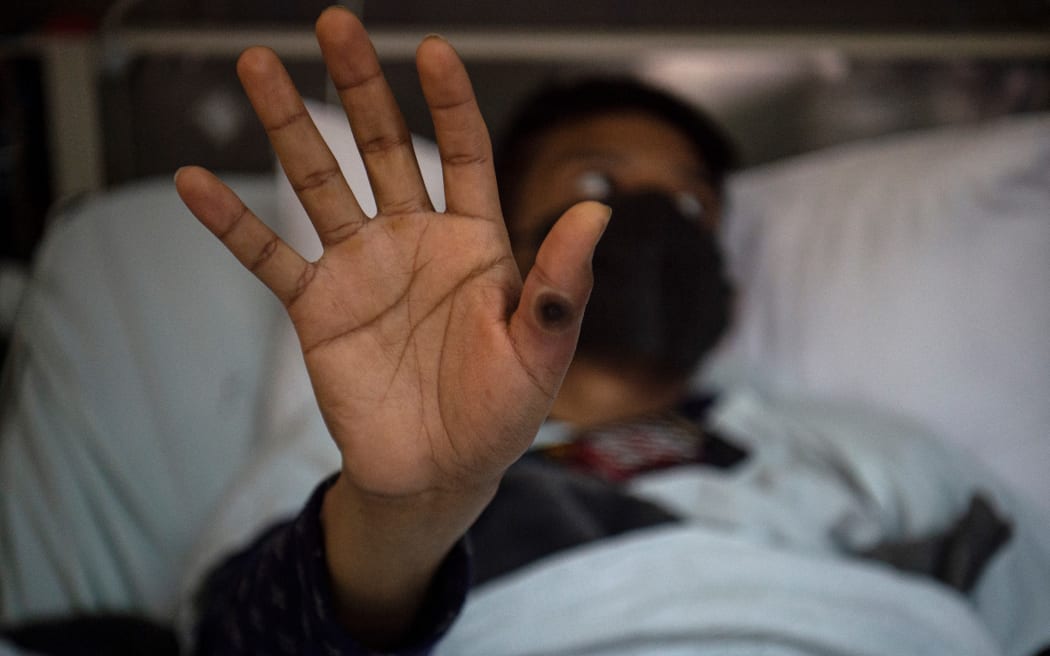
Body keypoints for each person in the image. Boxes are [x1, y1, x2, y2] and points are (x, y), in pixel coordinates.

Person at [176, 8, 1050, 656]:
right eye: (596, 177)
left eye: (689, 203)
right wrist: (404, 515)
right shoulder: (359, 460)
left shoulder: (862, 453)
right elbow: (240, 643)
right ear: (501, 237)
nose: (651, 219)